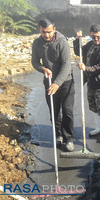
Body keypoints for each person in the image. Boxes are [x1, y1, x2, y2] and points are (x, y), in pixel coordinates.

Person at [31, 19, 75, 152]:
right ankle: (58, 135)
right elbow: (34, 62)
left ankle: (69, 138)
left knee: (67, 111)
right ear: (40, 30)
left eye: (49, 32)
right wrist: (42, 69)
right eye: (43, 32)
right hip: (49, 81)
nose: (47, 35)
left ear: (54, 29)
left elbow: (66, 64)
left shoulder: (62, 42)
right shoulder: (37, 43)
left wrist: (58, 82)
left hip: (66, 81)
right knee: (54, 111)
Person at [73, 24, 100, 143]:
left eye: (98, 37)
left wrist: (86, 68)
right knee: (94, 106)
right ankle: (99, 127)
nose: (95, 39)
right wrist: (78, 40)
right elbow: (78, 52)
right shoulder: (90, 45)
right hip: (91, 82)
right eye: (93, 36)